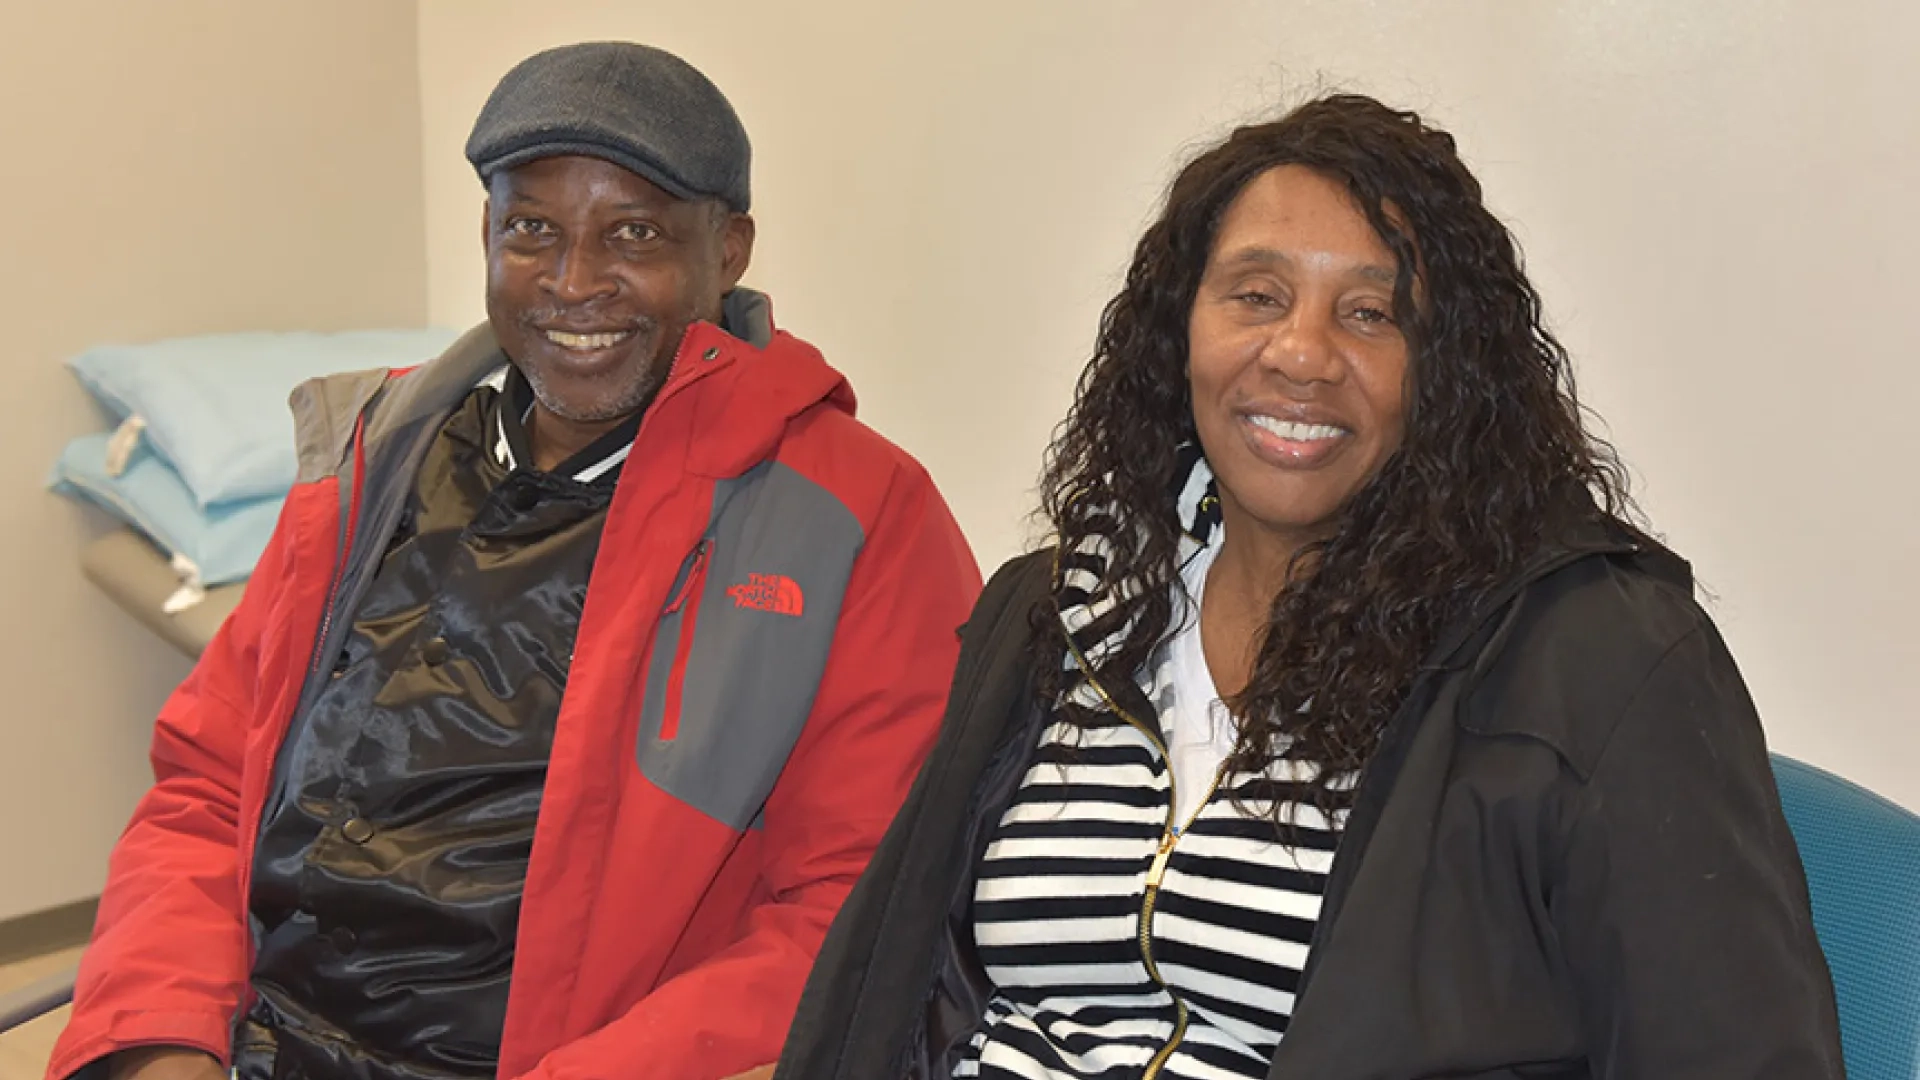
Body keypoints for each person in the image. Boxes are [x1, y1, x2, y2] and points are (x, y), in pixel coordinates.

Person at [771, 95, 1844, 1080]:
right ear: (1179, 329)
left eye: (1372, 315)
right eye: (1257, 294)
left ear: (1449, 371)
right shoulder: (1057, 613)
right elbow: (885, 988)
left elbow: (1737, 1053)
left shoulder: (1595, 656)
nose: (1301, 353)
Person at [49, 41, 980, 1080]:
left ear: (731, 249)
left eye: (634, 234)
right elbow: (209, 787)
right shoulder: (377, 460)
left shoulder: (856, 519)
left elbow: (859, 908)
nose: (575, 284)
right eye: (532, 229)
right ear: (487, 234)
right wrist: (156, 1036)